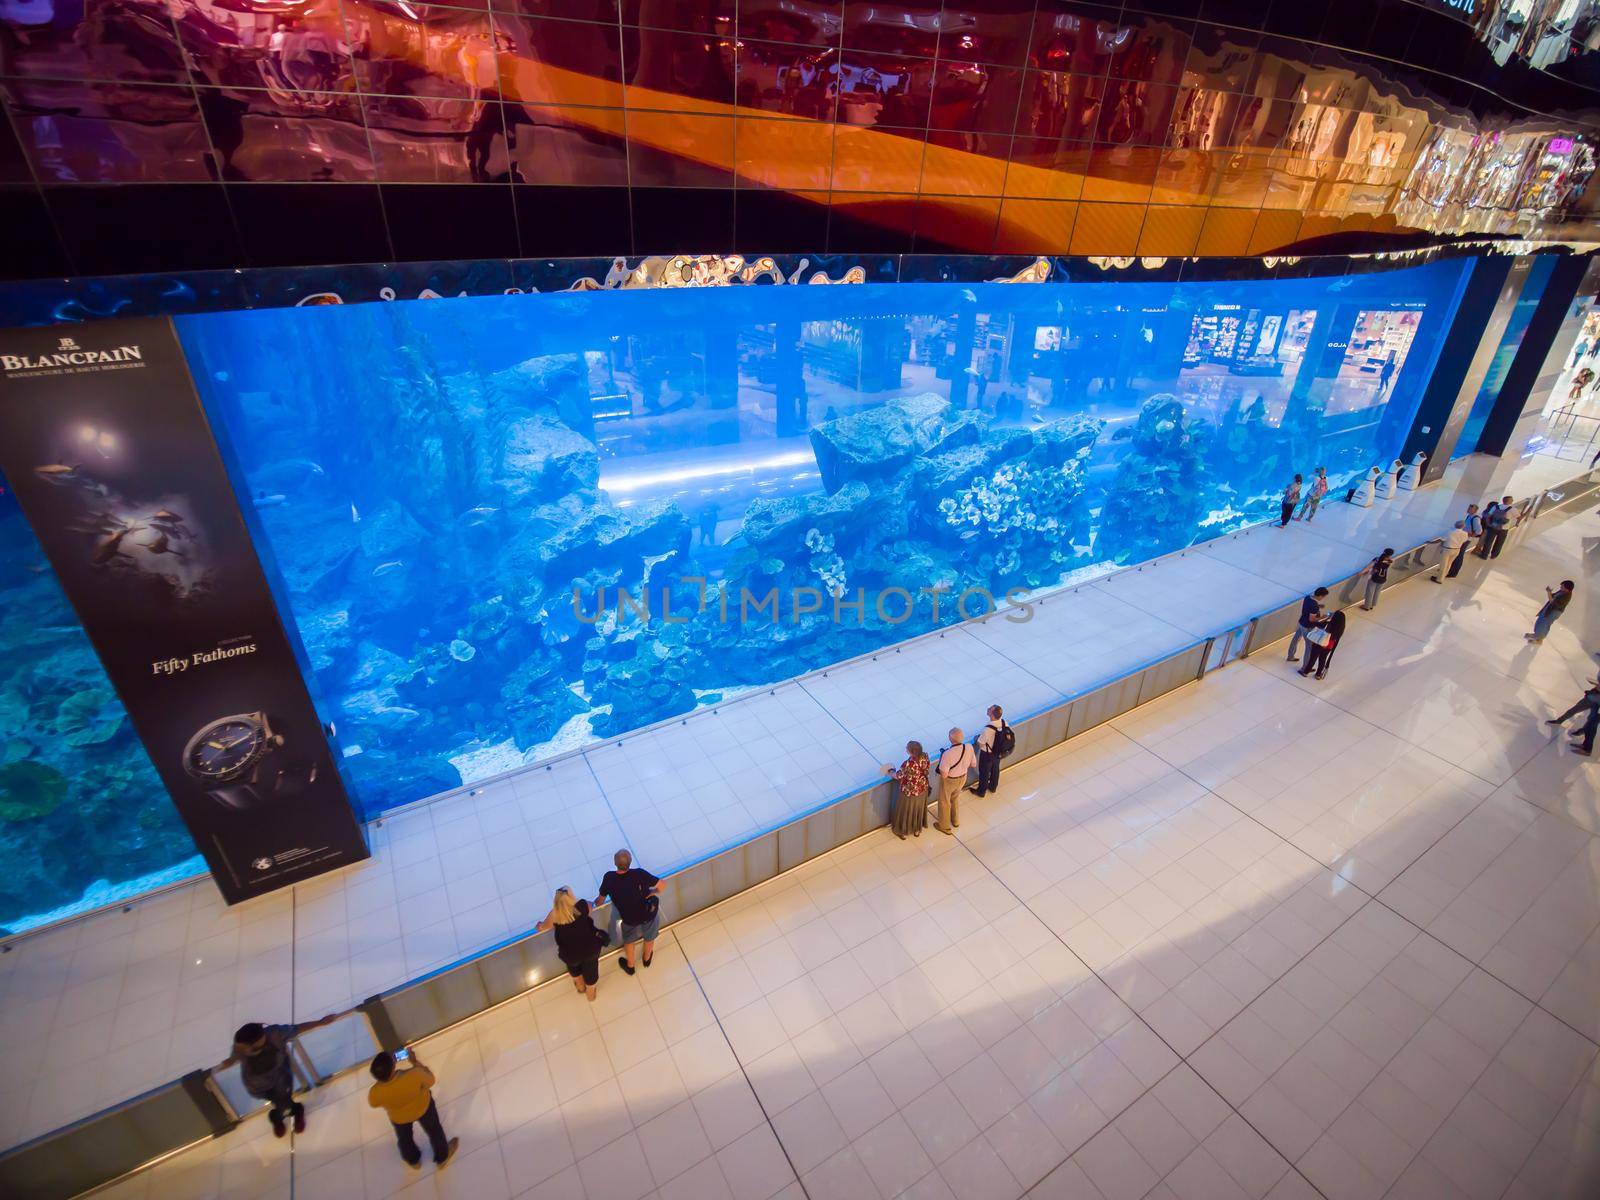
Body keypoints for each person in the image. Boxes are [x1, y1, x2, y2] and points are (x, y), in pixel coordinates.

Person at [217, 1012, 345, 1137]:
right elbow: (233, 1057)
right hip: (256, 1086)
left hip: (280, 1078)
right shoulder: (240, 1047)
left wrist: (320, 1022)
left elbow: (297, 1028)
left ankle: (284, 1114)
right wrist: (229, 1061)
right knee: (279, 1101)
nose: (241, 1050)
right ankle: (287, 1112)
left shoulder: (274, 1034)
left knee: (282, 1100)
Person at [368, 1048, 459, 1170]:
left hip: (399, 1119)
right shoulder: (414, 1074)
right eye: (392, 1059)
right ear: (393, 1068)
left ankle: (413, 1161)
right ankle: (442, 1157)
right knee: (434, 1130)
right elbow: (431, 1080)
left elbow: (373, 1103)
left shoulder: (375, 1092)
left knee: (405, 1139)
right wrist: (415, 1062)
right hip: (423, 1108)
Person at [595, 849, 662, 975]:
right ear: (630, 862)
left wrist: (592, 904)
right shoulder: (640, 874)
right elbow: (662, 885)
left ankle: (630, 966)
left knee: (629, 939)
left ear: (615, 863)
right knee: (650, 934)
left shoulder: (609, 878)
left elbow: (600, 901)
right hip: (647, 913)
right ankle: (647, 959)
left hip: (628, 917)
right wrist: (653, 892)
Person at [537, 887, 608, 1001]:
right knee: (591, 969)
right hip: (590, 948)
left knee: (573, 967)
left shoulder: (555, 914)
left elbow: (543, 927)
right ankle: (591, 994)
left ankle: (580, 986)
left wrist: (539, 925)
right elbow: (591, 908)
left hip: (570, 953)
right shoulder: (582, 906)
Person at [882, 740, 931, 838]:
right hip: (922, 790)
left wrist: (891, 772)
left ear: (911, 752)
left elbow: (898, 776)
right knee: (918, 810)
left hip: (909, 793)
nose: (905, 749)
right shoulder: (925, 756)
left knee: (906, 812)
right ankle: (916, 830)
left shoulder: (908, 764)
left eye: (907, 748)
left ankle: (903, 832)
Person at [933, 729, 976, 835]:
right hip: (963, 777)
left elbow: (944, 774)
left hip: (950, 780)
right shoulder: (969, 747)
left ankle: (944, 826)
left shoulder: (947, 754)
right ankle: (955, 820)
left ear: (950, 738)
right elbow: (974, 764)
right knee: (955, 798)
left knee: (944, 801)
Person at [1297, 608, 1345, 680]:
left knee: (1313, 657)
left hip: (1320, 643)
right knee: (1323, 659)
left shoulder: (1328, 624)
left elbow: (1317, 624)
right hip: (1329, 646)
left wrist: (1326, 618)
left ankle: (1305, 672)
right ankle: (1318, 674)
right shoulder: (1340, 629)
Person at [974, 704, 1010, 798]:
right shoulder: (1004, 722)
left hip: (987, 754)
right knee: (995, 769)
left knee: (984, 772)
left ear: (992, 714)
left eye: (989, 709)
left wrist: (977, 739)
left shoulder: (988, 729)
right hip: (998, 752)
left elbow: (980, 742)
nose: (987, 708)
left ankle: (981, 791)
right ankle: (993, 787)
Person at [1287, 587, 1329, 663]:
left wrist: (1319, 606)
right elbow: (1311, 619)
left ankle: (1290, 656)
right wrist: (1323, 617)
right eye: (1323, 596)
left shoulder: (1308, 597)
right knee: (1309, 646)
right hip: (1307, 626)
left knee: (1295, 639)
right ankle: (1306, 666)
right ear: (1320, 596)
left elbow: (1309, 605)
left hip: (1301, 622)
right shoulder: (1314, 606)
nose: (1323, 598)